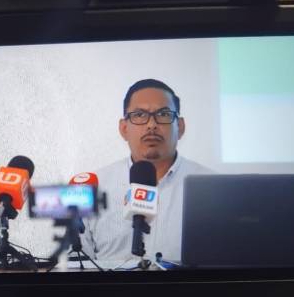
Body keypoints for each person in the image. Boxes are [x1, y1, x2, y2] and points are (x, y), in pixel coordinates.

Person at [84, 79, 212, 266]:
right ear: (123, 128)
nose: (151, 125)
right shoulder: (93, 186)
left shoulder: (212, 187)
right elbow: (73, 264)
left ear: (181, 126)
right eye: (139, 114)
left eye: (163, 114)